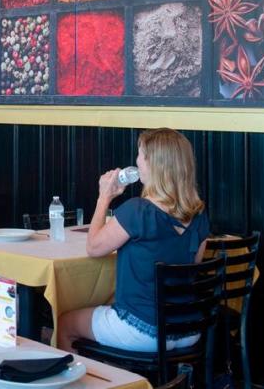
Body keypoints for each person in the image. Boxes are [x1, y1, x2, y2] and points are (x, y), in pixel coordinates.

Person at [57, 128, 210, 353]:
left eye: (140, 155)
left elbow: (93, 248)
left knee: (64, 323)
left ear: (154, 165)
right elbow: (194, 263)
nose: (137, 161)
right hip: (189, 329)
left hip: (143, 330)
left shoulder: (138, 211)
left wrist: (103, 197)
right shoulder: (199, 215)